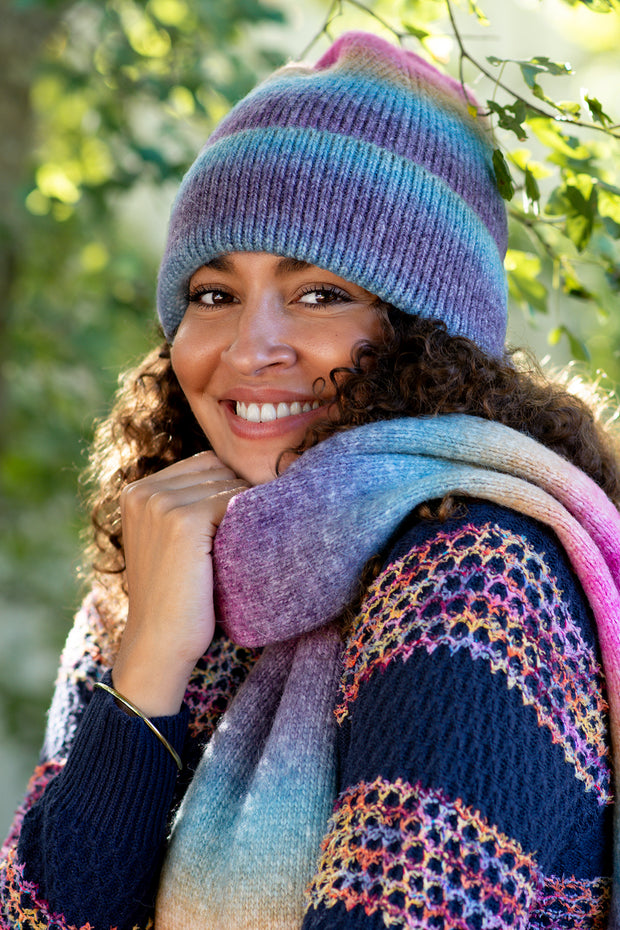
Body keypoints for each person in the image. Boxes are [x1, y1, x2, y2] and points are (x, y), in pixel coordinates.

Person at [0, 29, 617, 930]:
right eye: (213, 295)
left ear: (425, 332)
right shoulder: (173, 560)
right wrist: (153, 657)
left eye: (320, 294)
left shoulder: (478, 577)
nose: (250, 349)